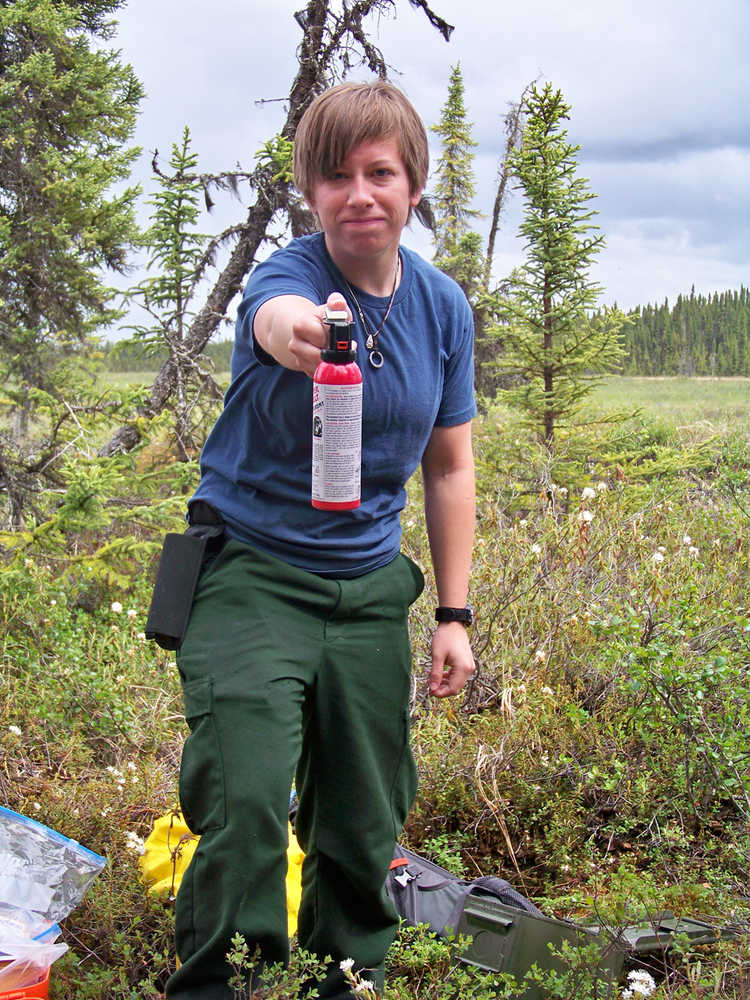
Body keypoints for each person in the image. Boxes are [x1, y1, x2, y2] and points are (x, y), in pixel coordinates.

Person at [165, 80, 476, 1000]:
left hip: (371, 587)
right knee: (246, 794)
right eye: (335, 176)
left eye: (380, 172)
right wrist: (300, 333)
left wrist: (452, 614)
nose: (359, 194)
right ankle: (224, 983)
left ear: (414, 184)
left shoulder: (440, 307)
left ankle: (347, 974)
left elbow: (449, 466)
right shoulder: (289, 278)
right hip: (252, 573)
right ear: (311, 192)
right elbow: (269, 317)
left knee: (364, 812)